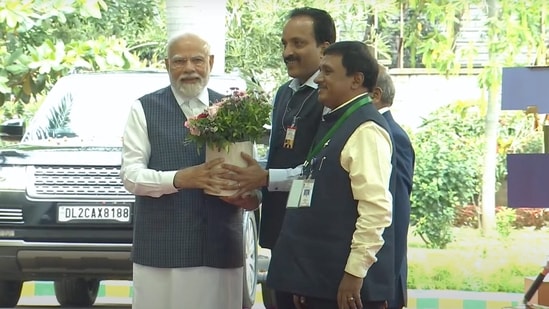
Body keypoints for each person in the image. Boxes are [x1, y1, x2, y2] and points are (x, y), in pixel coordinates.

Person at [119, 32, 259, 309]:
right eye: (179, 61)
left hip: (220, 248)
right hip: (163, 250)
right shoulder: (144, 109)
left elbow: (251, 182)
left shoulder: (237, 110)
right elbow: (130, 175)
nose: (189, 69)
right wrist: (179, 179)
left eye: (197, 60)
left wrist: (248, 198)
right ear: (167, 65)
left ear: (210, 62)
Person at [218, 7, 337, 308]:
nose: (287, 52)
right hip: (280, 234)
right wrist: (256, 192)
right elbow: (276, 159)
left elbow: (323, 170)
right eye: (284, 44)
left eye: (298, 43)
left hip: (313, 240)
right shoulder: (285, 93)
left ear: (325, 47)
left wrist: (266, 178)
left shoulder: (331, 96)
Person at [266, 41, 396, 309]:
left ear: (356, 80)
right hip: (320, 282)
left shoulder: (366, 130)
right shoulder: (337, 121)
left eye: (327, 72)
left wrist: (354, 273)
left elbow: (376, 210)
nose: (319, 79)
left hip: (345, 290)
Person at [371, 66, 415, 309]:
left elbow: (396, 214)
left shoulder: (392, 135)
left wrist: (386, 282)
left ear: (374, 95)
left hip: (382, 279)